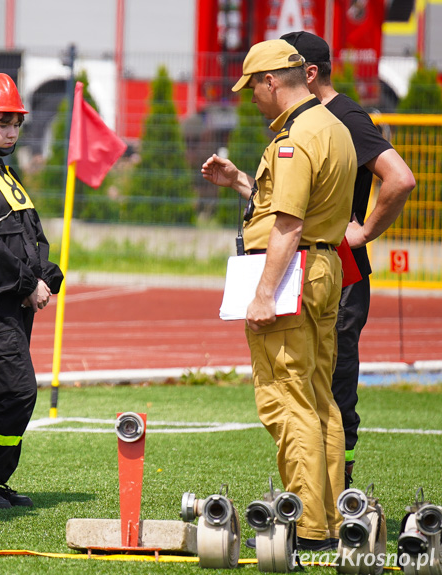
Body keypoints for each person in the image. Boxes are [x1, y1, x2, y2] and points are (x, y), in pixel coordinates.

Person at [201, 39, 356, 551]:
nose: (251, 98)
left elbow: (288, 223)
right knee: (318, 399)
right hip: (324, 266)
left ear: (272, 81)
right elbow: (296, 207)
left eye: (253, 87)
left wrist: (264, 294)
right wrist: (244, 182)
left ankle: (307, 525)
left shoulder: (293, 139)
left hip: (294, 270)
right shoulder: (332, 127)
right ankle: (332, 519)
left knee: (286, 400)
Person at [281, 31, 416, 487]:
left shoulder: (344, 116)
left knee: (335, 386)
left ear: (309, 72)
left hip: (343, 271)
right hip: (314, 268)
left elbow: (399, 179)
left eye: (281, 68)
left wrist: (364, 232)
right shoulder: (308, 119)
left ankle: (340, 497)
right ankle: (315, 493)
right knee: (307, 381)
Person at [0, 73, 64, 509]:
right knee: (16, 391)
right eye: (4, 123)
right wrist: (27, 284)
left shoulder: (4, 171)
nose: (13, 132)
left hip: (20, 299)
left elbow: (29, 231)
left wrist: (47, 274)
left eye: (17, 124)